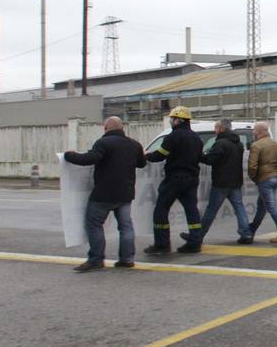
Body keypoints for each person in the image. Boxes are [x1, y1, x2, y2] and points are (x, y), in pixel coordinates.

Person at [64, 116, 146, 271]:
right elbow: (141, 163)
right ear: (122, 128)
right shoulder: (135, 144)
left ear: (106, 128)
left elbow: (90, 158)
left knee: (94, 223)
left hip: (104, 194)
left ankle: (96, 259)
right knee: (126, 226)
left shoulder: (103, 143)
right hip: (126, 193)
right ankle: (127, 259)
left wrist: (69, 155)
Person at [144, 105, 205, 255]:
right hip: (192, 179)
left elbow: (159, 155)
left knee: (161, 210)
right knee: (192, 211)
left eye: (172, 119)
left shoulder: (173, 137)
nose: (171, 121)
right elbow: (201, 157)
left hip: (175, 179)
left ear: (178, 120)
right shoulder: (196, 138)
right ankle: (195, 243)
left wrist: (144, 155)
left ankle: (162, 244)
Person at [197, 118, 252, 244]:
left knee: (211, 209)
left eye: (216, 128)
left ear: (221, 128)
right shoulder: (238, 143)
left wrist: (199, 156)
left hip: (221, 182)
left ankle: (198, 236)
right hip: (236, 181)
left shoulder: (220, 143)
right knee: (239, 208)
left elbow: (211, 160)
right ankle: (246, 233)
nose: (215, 131)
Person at [247, 120, 277, 243]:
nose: (253, 132)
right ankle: (252, 229)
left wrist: (254, 178)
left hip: (264, 178)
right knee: (262, 205)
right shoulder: (276, 144)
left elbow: (252, 166)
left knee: (271, 206)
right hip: (276, 176)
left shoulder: (256, 145)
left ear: (259, 132)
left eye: (255, 130)